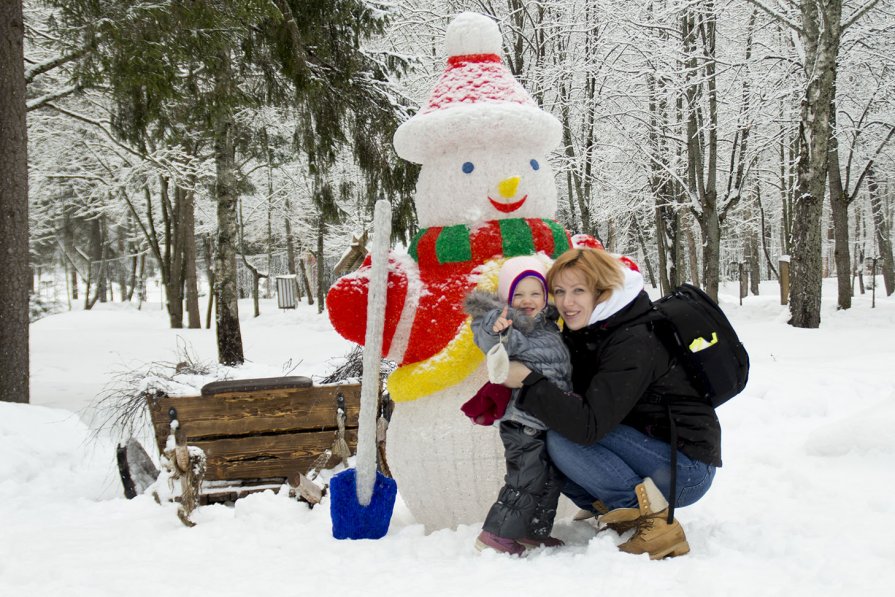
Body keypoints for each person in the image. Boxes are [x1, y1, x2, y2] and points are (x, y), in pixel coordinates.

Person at [503, 248, 720, 560]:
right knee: (545, 436)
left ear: (602, 291)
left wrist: (530, 381)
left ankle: (653, 525)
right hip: (650, 449)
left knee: (561, 437)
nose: (567, 302)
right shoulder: (594, 328)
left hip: (685, 470)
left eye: (579, 291)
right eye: (560, 292)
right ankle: (623, 518)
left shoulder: (634, 339)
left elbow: (587, 426)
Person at [463, 255, 573, 556]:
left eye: (535, 293)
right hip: (523, 421)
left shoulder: (548, 326)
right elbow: (489, 339)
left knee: (549, 477)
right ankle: (496, 534)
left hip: (545, 419)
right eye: (518, 294)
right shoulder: (510, 324)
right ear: (506, 299)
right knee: (525, 480)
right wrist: (494, 324)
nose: (527, 300)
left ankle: (532, 531)